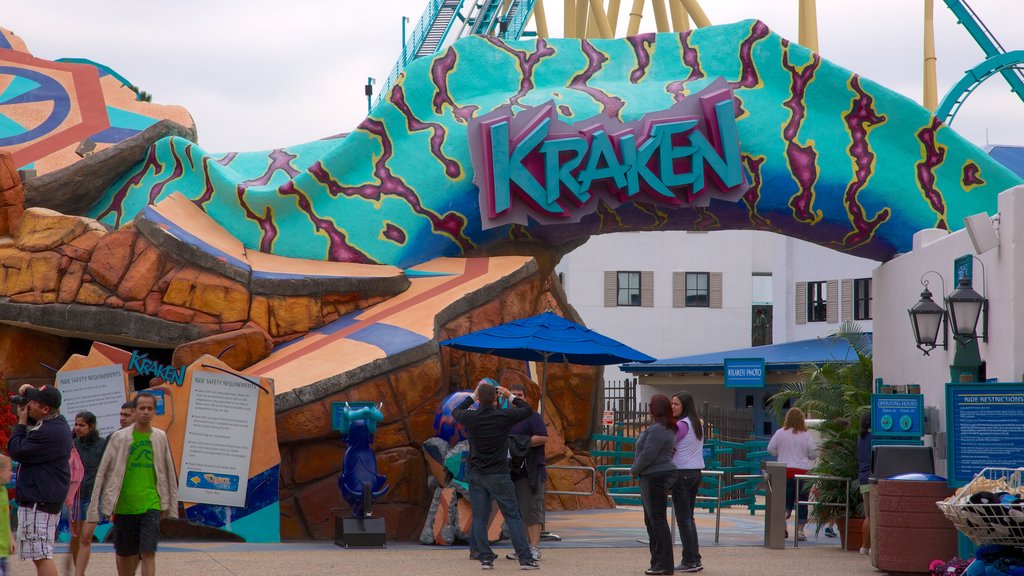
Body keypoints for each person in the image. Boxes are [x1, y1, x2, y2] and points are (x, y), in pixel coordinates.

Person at [87, 392, 178, 576]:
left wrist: (171, 506)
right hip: (124, 506)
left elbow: (168, 472)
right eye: (142, 408)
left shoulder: (160, 437)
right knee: (125, 555)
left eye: (149, 409)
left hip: (150, 504)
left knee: (148, 552)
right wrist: (97, 506)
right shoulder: (118, 438)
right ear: (135, 411)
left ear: (154, 412)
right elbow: (103, 472)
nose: (145, 412)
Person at [452, 378, 539, 571]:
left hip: (476, 473)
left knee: (480, 517)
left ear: (479, 400)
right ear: (494, 399)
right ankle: (525, 558)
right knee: (513, 516)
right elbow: (527, 410)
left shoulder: (471, 417)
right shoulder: (503, 416)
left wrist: (472, 396)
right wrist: (510, 395)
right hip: (499, 473)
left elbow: (455, 411)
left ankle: (485, 558)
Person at [7, 384, 73, 576]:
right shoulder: (55, 424)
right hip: (44, 497)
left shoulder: (48, 432)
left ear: (45, 409)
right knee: (40, 553)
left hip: (40, 500)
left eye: (33, 403)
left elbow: (16, 450)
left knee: (41, 555)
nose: (29, 406)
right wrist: (28, 391)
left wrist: (21, 421)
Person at [77, 400, 134, 576]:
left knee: (137, 548)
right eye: (121, 414)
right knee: (121, 546)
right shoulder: (112, 439)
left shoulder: (150, 437)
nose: (122, 418)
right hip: (118, 498)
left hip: (140, 498)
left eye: (127, 415)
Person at [632, 394, 678, 576]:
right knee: (652, 520)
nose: (649, 407)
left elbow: (648, 454)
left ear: (656, 408)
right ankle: (658, 561)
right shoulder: (663, 428)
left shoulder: (659, 429)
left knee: (657, 520)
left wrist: (634, 469)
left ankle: (664, 564)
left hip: (655, 475)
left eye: (651, 405)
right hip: (653, 475)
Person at [506, 383, 547, 563]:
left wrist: (519, 444)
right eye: (513, 394)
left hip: (531, 471)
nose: (516, 397)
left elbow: (543, 437)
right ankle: (522, 548)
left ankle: (535, 547)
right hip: (510, 471)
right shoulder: (506, 417)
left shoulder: (533, 416)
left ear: (525, 397)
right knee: (517, 513)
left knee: (531, 511)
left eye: (519, 394)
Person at [767, 407, 818, 541]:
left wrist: (780, 453)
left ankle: (783, 523)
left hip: (785, 472)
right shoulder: (806, 435)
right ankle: (800, 531)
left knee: (785, 501)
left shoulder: (780, 433)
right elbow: (814, 453)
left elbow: (770, 449)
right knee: (802, 501)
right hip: (802, 472)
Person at [670, 392, 704, 573]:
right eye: (671, 403)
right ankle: (695, 558)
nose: (672, 406)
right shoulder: (697, 423)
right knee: (689, 518)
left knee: (683, 520)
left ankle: (689, 560)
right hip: (695, 472)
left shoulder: (682, 425)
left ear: (684, 405)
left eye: (676, 404)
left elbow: (669, 442)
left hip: (681, 473)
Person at [69, 412, 105, 575]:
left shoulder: (102, 445)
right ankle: (79, 570)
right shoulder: (72, 444)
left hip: (93, 497)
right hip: (75, 496)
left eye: (81, 425)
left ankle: (78, 574)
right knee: (76, 537)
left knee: (85, 537)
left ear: (91, 427)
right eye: (76, 424)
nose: (77, 428)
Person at [857, 413, 872, 555]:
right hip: (873, 478)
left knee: (868, 514)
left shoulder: (861, 437)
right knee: (873, 515)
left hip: (863, 478)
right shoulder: (874, 438)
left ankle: (864, 546)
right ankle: (867, 546)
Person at [0, 455, 15, 576]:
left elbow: (5, 518)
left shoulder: (4, 490)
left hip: (3, 551)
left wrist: (10, 538)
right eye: (9, 470)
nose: (11, 474)